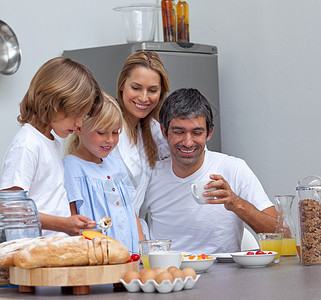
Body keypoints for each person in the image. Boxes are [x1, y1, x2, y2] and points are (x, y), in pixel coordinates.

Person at [140, 88, 279, 254]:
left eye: (197, 132)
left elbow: (281, 233)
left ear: (209, 133)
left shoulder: (233, 168)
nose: (188, 142)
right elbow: (130, 219)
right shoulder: (151, 174)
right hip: (169, 274)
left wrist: (236, 203)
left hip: (225, 275)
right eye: (179, 132)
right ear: (164, 131)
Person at [0, 57, 103, 237]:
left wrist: (69, 222)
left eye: (83, 117)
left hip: (50, 247)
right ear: (53, 102)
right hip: (33, 252)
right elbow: (10, 209)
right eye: (77, 114)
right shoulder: (27, 144)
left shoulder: (51, 142)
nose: (80, 124)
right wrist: (62, 224)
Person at [63, 93, 142, 252]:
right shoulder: (71, 167)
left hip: (128, 256)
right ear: (79, 128)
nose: (110, 140)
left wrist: (143, 248)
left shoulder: (117, 165)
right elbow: (71, 219)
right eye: (102, 132)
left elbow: (130, 212)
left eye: (115, 132)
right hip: (97, 258)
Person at [111, 51, 170, 236]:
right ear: (122, 86)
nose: (144, 98)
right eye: (136, 88)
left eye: (152, 90)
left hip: (137, 235)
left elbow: (190, 151)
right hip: (105, 232)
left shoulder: (154, 131)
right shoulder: (105, 128)